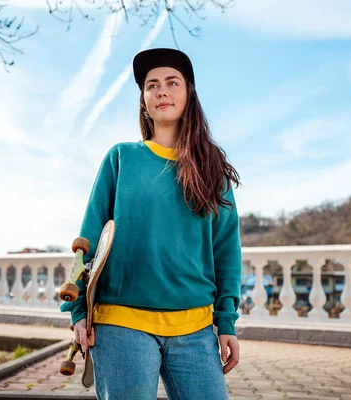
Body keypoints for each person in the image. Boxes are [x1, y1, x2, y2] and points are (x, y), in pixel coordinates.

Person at [60, 47, 242, 400]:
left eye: (172, 82)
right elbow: (89, 239)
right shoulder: (122, 158)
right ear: (144, 102)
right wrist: (78, 311)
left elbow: (226, 252)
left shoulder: (212, 170)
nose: (161, 90)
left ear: (188, 95)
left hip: (196, 328)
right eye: (151, 85)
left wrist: (227, 321)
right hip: (120, 323)